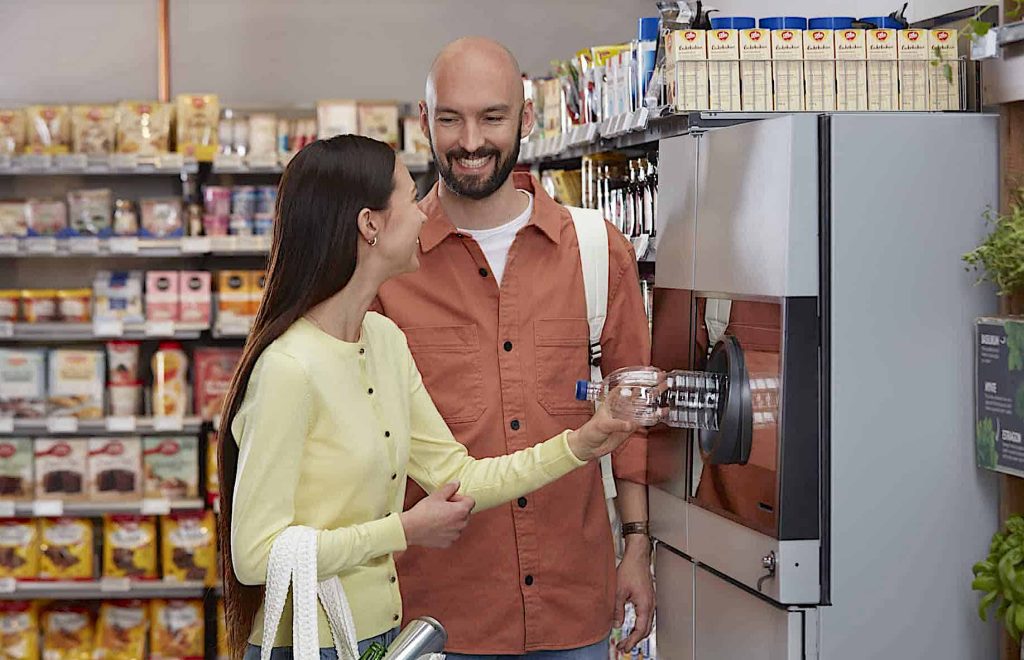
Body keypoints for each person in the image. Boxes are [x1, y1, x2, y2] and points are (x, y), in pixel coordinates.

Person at [216, 134, 638, 660]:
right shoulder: (288, 369)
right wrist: (403, 531)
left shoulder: (384, 342)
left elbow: (458, 475)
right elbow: (255, 556)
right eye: (408, 195)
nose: (422, 213)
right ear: (370, 225)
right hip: (307, 644)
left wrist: (580, 443)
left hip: (378, 638)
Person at [374, 38, 655, 659]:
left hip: (575, 608)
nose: (470, 140)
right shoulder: (388, 268)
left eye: (492, 117)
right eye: (450, 118)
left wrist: (637, 544)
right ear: (424, 124)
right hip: (437, 618)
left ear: (527, 120)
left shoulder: (596, 250)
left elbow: (633, 419)